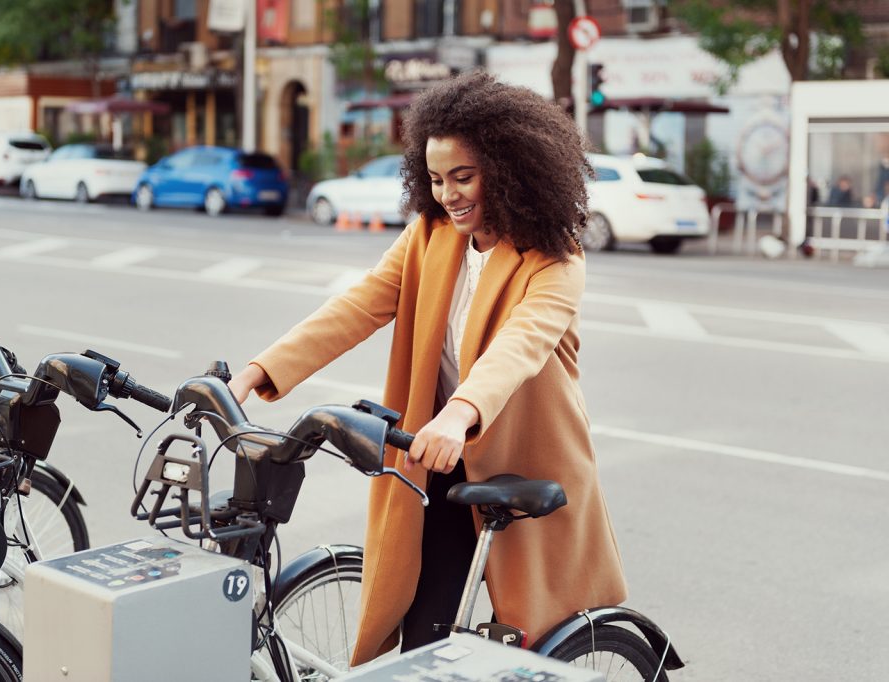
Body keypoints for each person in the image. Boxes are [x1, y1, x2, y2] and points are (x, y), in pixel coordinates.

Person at [226, 70, 627, 665]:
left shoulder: (554, 260)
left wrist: (459, 412)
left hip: (520, 457)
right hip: (433, 453)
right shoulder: (429, 235)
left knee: (536, 635)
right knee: (424, 636)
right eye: (436, 179)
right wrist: (261, 372)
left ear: (510, 169)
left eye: (464, 177)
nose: (448, 194)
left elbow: (520, 345)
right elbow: (361, 303)